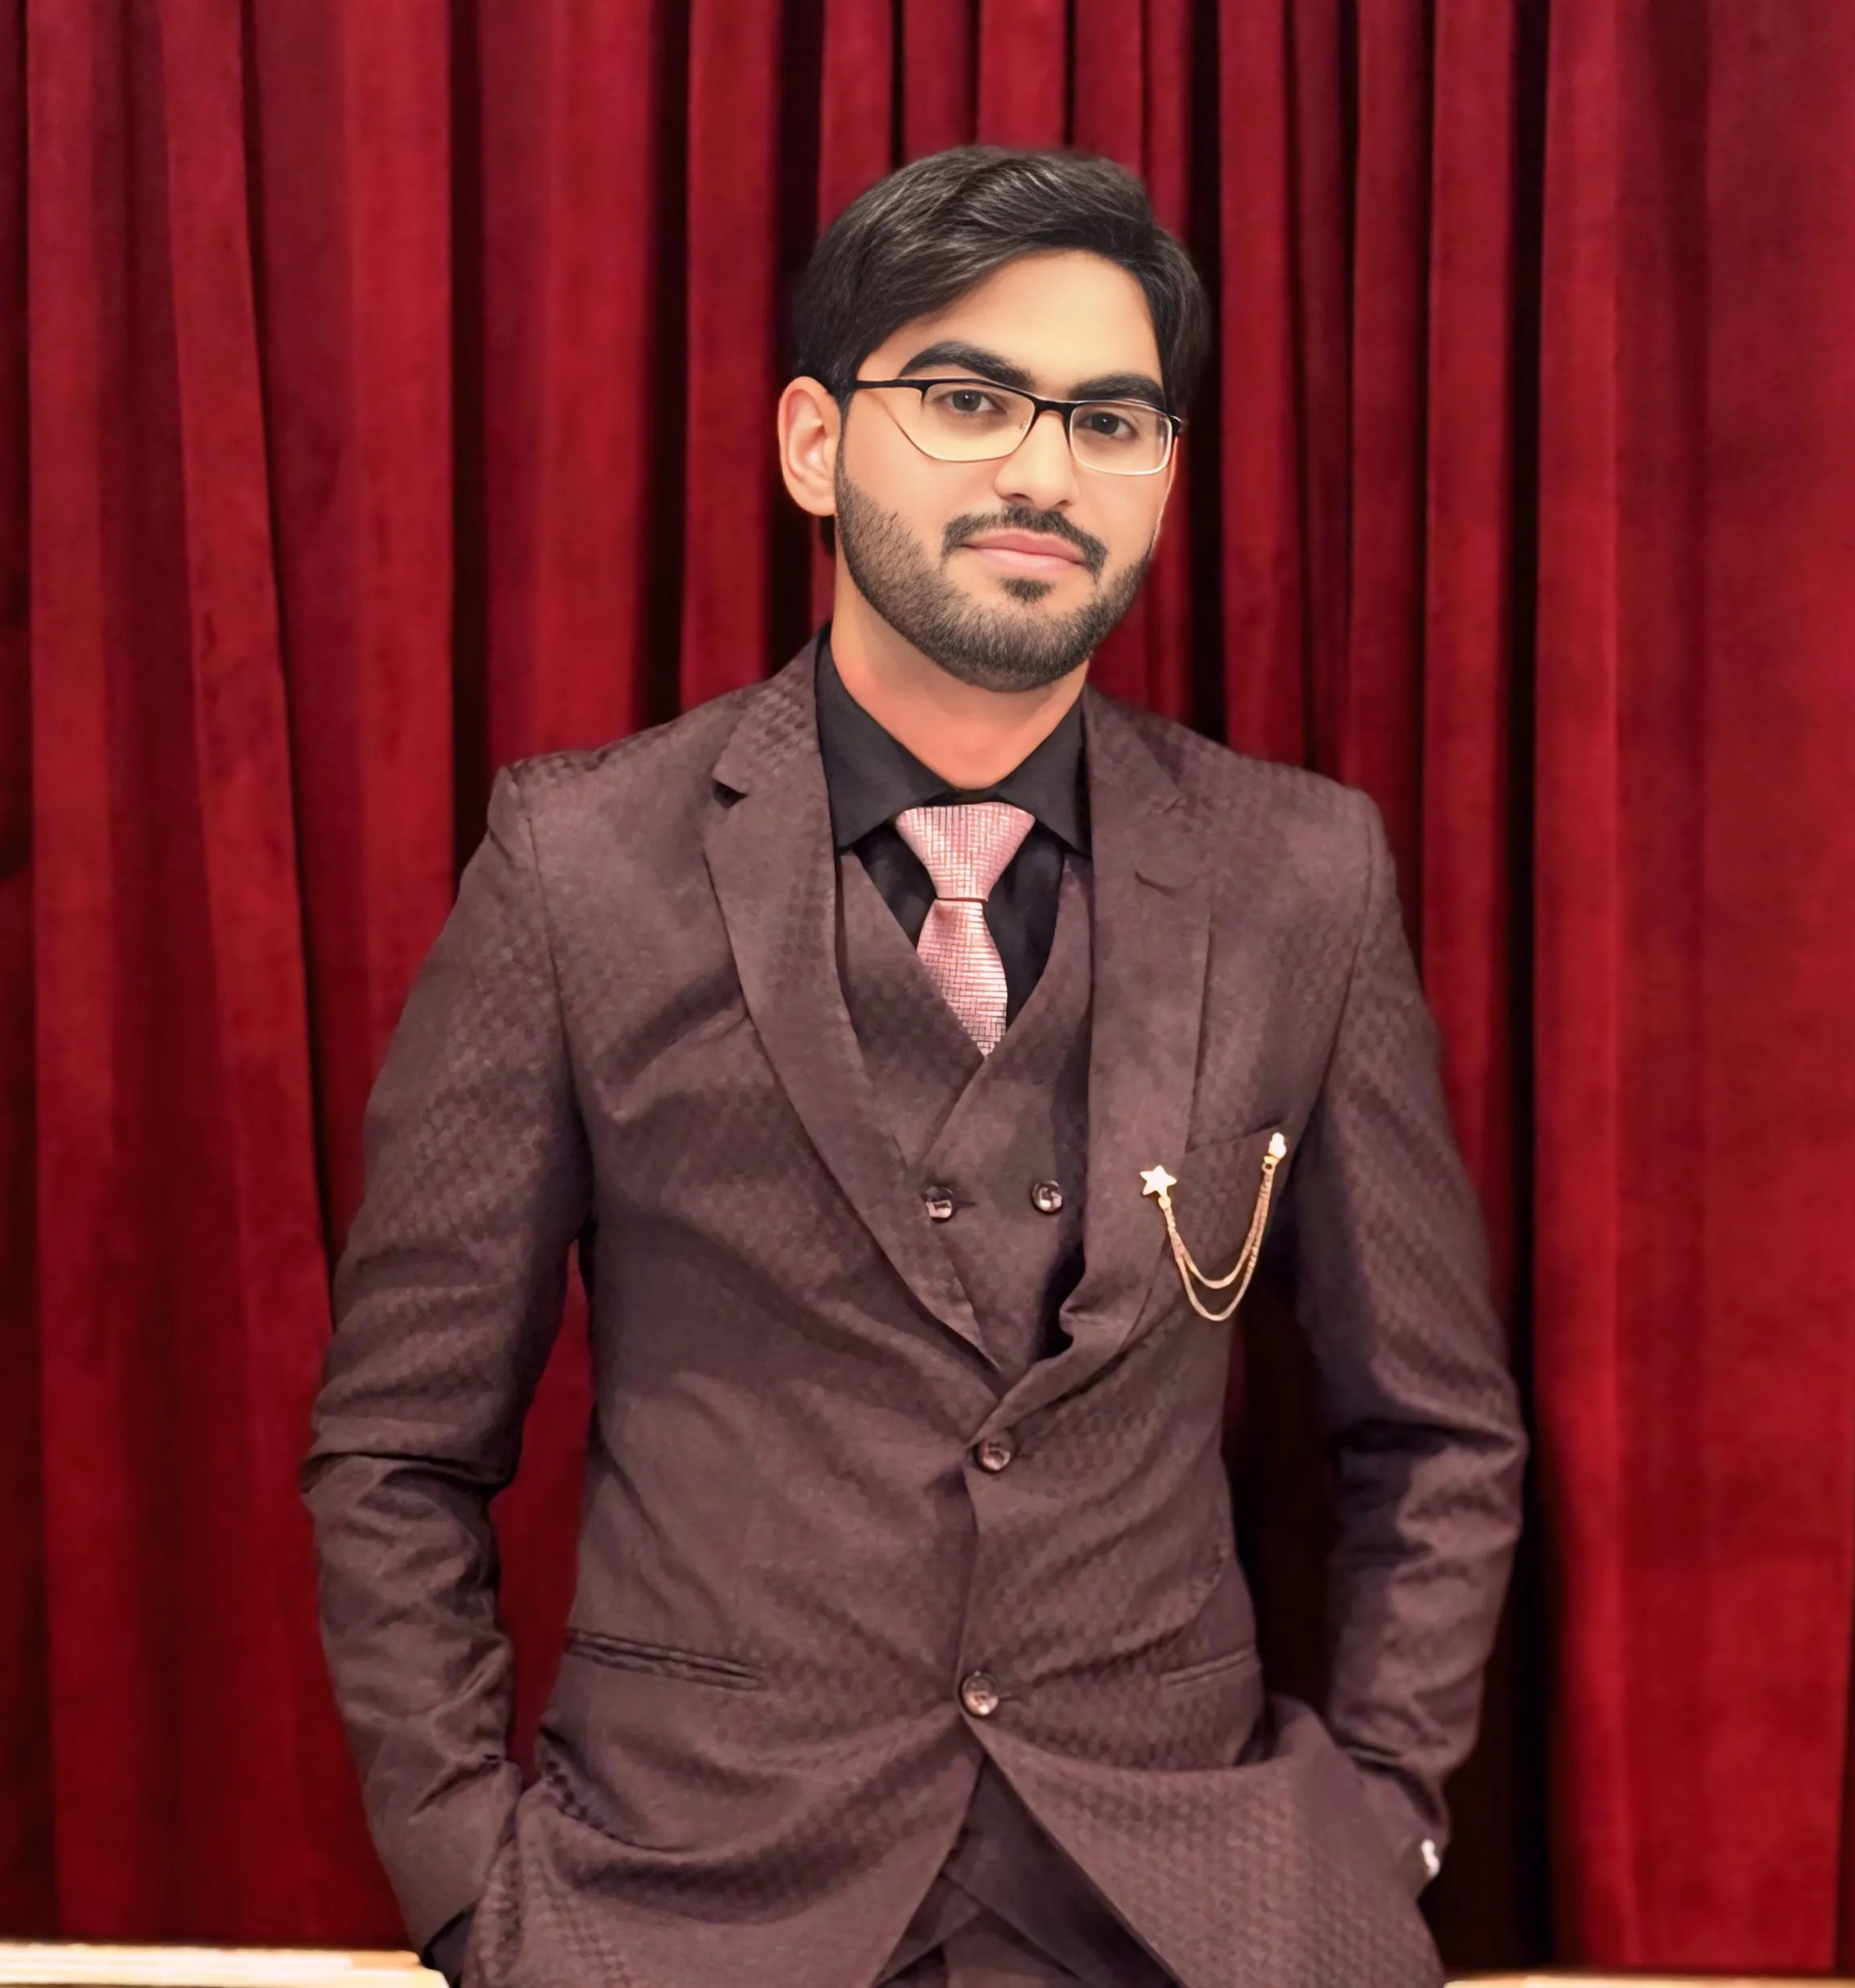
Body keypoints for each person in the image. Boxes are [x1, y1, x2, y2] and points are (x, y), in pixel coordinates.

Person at [304, 145, 1526, 1988]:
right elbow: (397, 1447)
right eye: (967, 399)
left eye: (1113, 420)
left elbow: (1432, 1428)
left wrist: (1383, 1816)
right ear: (814, 442)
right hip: (679, 1910)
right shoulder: (577, 866)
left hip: (1197, 1914)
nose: (1044, 469)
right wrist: (474, 1889)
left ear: (1165, 478)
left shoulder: (1304, 876)